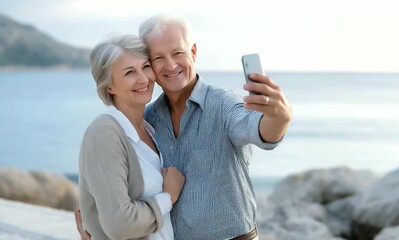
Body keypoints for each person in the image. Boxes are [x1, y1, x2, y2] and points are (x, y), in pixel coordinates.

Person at [77, 14, 292, 240]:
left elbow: (258, 129)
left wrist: (280, 118)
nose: (170, 65)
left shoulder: (222, 104)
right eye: (158, 58)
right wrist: (92, 215)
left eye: (178, 53)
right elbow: (110, 178)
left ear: (194, 52)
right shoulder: (149, 121)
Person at [77, 34, 185, 240]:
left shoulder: (152, 128)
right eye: (129, 72)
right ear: (109, 86)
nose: (144, 79)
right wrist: (168, 197)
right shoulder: (103, 132)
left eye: (145, 67)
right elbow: (119, 225)